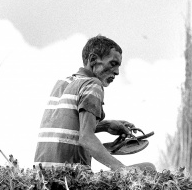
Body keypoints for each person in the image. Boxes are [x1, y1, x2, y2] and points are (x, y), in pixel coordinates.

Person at [34, 34, 155, 172]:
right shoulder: (93, 84)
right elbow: (86, 138)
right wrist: (122, 170)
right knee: (149, 168)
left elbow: (64, 126)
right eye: (113, 64)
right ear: (93, 60)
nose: (117, 72)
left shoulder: (62, 84)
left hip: (43, 174)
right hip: (70, 177)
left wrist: (106, 126)